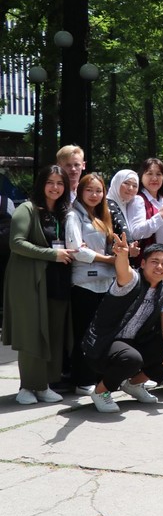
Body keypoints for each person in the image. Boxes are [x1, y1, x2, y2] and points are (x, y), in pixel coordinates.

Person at [81, 238, 163, 412]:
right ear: (143, 263)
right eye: (154, 262)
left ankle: (134, 384)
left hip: (134, 344)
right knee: (132, 358)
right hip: (104, 344)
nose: (159, 267)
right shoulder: (132, 280)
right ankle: (101, 392)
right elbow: (124, 271)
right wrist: (122, 256)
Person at [3, 166, 76, 405]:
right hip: (30, 281)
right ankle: (27, 386)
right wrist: (52, 254)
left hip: (58, 280)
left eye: (60, 183)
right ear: (41, 184)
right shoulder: (27, 209)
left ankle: (44, 385)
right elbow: (16, 243)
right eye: (50, 182)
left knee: (53, 334)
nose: (55, 187)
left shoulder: (64, 212)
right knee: (32, 334)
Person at [65, 174, 117, 395]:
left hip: (104, 282)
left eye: (98, 190)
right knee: (85, 334)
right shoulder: (73, 215)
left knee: (100, 333)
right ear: (80, 191)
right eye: (89, 190)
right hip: (84, 284)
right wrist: (107, 260)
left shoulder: (100, 215)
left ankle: (97, 377)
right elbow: (76, 249)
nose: (94, 195)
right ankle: (82, 380)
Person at [107, 169, 162, 260]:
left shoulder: (124, 205)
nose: (130, 188)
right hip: (108, 262)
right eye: (126, 183)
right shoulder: (109, 205)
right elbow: (120, 230)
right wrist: (130, 246)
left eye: (135, 186)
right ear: (117, 182)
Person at [137, 157, 163, 247]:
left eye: (159, 174)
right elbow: (136, 232)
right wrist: (160, 217)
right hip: (146, 254)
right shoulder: (138, 200)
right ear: (141, 177)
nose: (154, 178)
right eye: (149, 173)